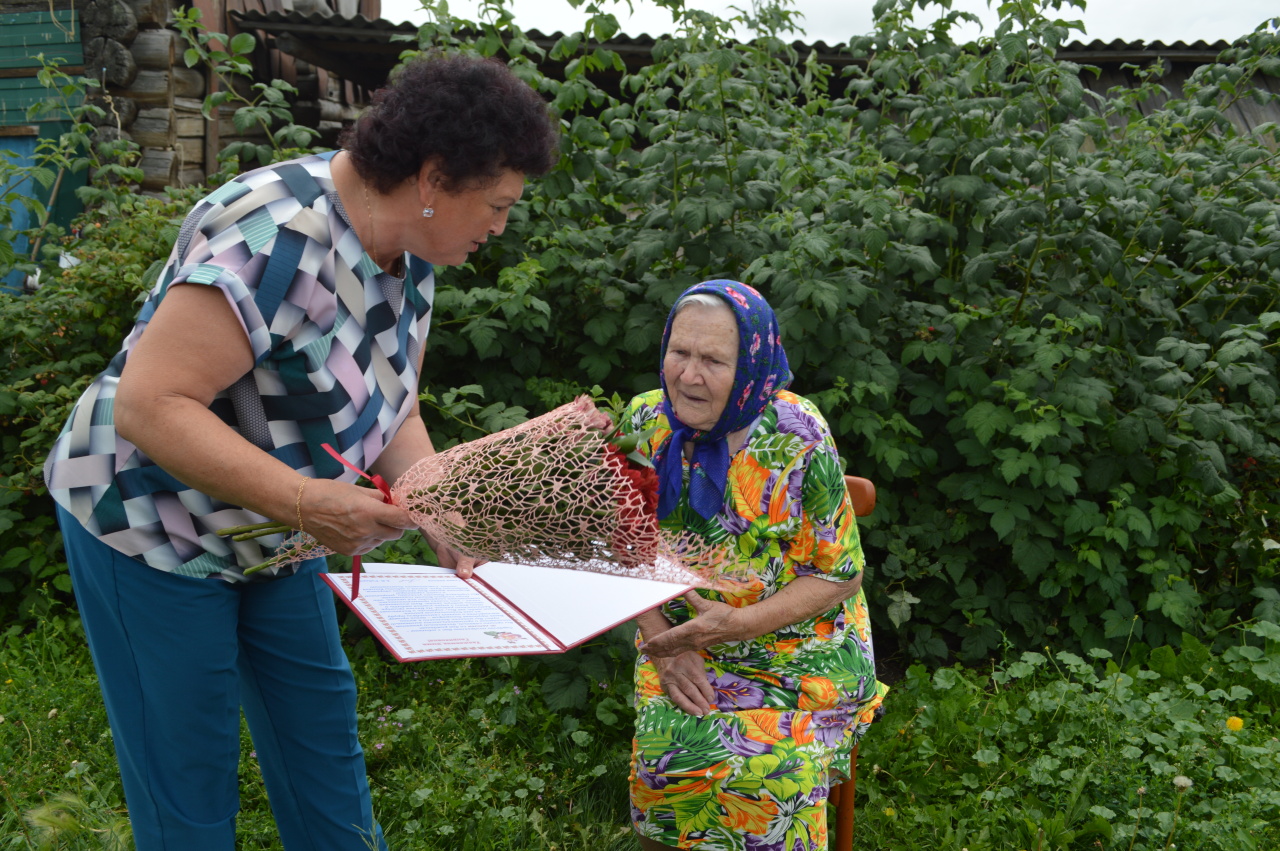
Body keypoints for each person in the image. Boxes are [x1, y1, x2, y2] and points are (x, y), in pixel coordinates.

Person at [42, 54, 558, 851]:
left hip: (276, 539)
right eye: (495, 205)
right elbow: (151, 404)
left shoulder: (413, 251)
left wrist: (436, 502)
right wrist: (307, 502)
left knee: (326, 762)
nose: (500, 226)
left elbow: (393, 403)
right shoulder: (269, 235)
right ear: (433, 178)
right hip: (148, 524)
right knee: (190, 789)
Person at [622, 280, 888, 851]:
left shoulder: (796, 435)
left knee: (768, 774)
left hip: (799, 644)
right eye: (680, 352)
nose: (688, 375)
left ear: (752, 365)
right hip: (680, 636)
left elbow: (841, 572)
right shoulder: (646, 422)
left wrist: (738, 625)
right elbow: (627, 544)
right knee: (668, 749)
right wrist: (661, 640)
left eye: (714, 360)